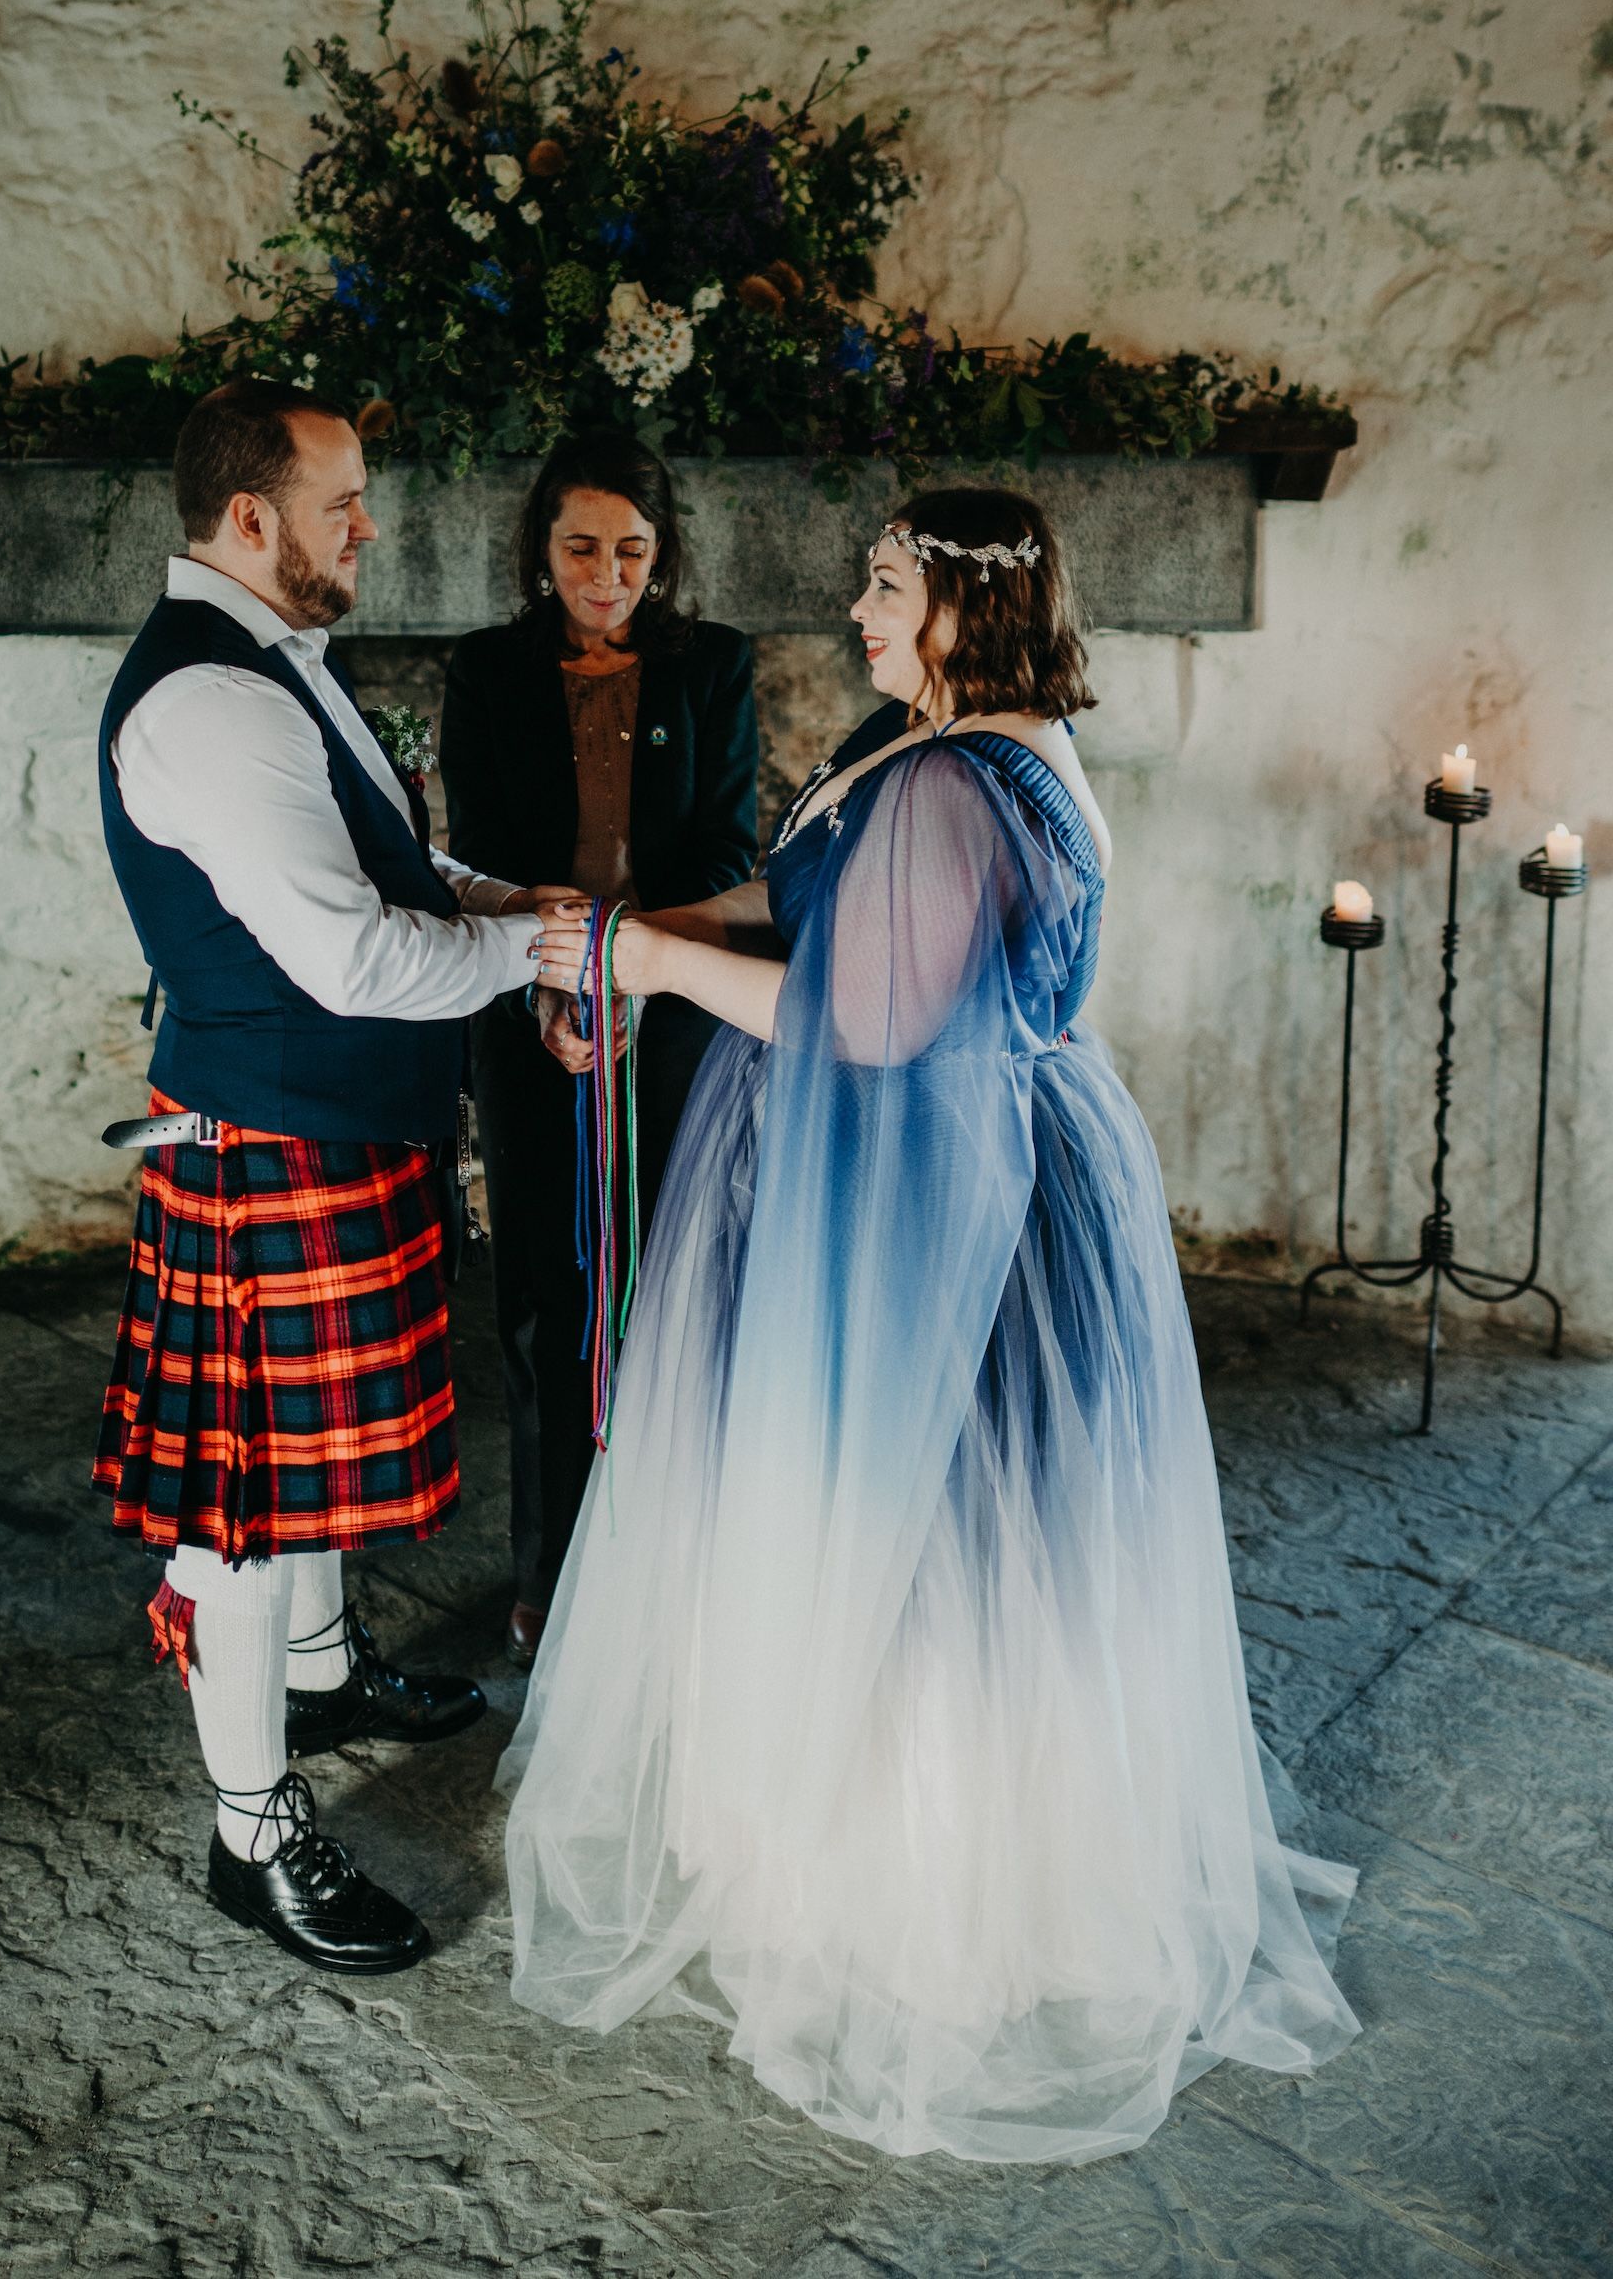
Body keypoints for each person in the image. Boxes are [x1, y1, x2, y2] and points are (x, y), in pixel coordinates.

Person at [510, 485, 1358, 2162]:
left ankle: (933, 1898)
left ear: (975, 607)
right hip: (917, 1180)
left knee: (937, 1532)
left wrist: (656, 975)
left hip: (943, 1218)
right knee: (918, 1527)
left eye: (889, 586)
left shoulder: (966, 782)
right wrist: (647, 930)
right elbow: (812, 904)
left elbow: (876, 1021)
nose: (861, 607)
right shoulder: (947, 747)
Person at [93, 379, 573, 1976]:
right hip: (267, 1152)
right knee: (241, 1498)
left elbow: (385, 867)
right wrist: (534, 949)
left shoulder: (279, 666)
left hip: (338, 1138)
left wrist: (506, 894)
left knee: (300, 1470)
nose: (369, 525)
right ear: (250, 519)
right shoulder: (212, 701)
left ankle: (319, 1668)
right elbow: (360, 959)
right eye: (343, 499)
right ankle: (253, 1827)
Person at [440, 435, 758, 1666]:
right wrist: (552, 980)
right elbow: (482, 843)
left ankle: (668, 1567)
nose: (607, 575)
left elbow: (727, 851)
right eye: (581, 547)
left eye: (633, 550)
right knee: (541, 1297)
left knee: (668, 1285)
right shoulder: (484, 669)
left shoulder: (715, 666)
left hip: (672, 1006)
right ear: (539, 550)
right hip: (526, 997)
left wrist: (630, 976)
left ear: (662, 554)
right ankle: (549, 1567)